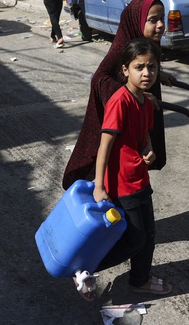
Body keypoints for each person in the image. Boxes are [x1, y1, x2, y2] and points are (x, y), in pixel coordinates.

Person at [73, 37, 172, 301]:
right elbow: (104, 146)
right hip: (120, 184)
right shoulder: (120, 101)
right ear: (125, 69)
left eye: (152, 67)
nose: (147, 73)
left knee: (148, 234)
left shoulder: (145, 100)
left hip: (138, 178)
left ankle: (140, 280)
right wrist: (99, 186)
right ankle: (85, 269)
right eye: (139, 67)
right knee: (134, 239)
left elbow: (144, 134)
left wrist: (148, 147)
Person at [62, 0, 171, 189]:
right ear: (138, 21)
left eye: (162, 18)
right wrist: (132, 94)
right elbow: (99, 78)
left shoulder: (147, 43)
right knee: (124, 166)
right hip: (122, 118)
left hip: (139, 119)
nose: (161, 25)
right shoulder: (124, 46)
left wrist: (159, 73)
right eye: (153, 20)